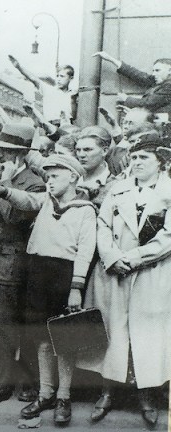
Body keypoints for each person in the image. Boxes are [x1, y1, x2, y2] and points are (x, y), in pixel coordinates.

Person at [0, 154, 97, 426]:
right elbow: (27, 200)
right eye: (47, 177)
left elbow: (85, 251)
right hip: (37, 273)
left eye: (56, 176)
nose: (49, 181)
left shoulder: (85, 210)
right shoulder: (46, 201)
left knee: (64, 339)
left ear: (73, 177)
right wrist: (5, 191)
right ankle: (46, 392)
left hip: (64, 275)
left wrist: (76, 287)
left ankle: (63, 396)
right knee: (42, 338)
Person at [78, 133, 171, 427]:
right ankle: (106, 392)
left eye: (144, 157)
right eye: (134, 157)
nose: (137, 162)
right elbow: (102, 225)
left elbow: (168, 237)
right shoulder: (119, 190)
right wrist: (112, 257)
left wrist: (132, 259)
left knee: (147, 335)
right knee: (112, 332)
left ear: (162, 161)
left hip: (151, 273)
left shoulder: (169, 192)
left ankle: (146, 394)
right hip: (113, 273)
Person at [0, 123, 45, 408]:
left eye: (6, 150)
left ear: (20, 154)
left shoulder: (33, 182)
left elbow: (14, 219)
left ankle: (0, 386)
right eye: (0, 149)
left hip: (8, 262)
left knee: (2, 326)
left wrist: (6, 186)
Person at [93, 52, 171, 113]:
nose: (154, 74)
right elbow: (138, 75)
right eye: (153, 71)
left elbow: (148, 104)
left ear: (169, 70)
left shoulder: (169, 86)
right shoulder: (160, 80)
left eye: (157, 70)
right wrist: (111, 59)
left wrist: (126, 99)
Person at [9, 55, 77, 125]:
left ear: (71, 78)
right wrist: (19, 67)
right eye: (57, 76)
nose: (58, 79)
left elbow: (74, 116)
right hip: (51, 126)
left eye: (62, 76)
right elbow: (33, 78)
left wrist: (73, 100)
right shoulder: (49, 90)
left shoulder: (73, 94)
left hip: (68, 127)